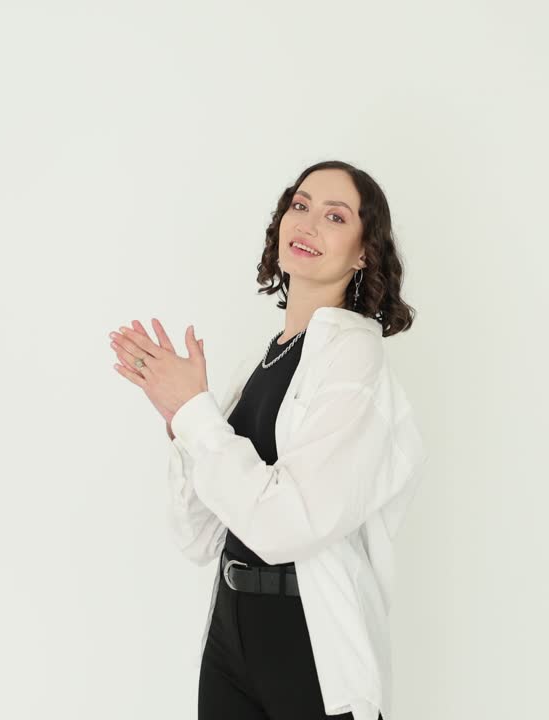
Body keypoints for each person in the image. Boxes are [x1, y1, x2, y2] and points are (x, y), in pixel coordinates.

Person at [109, 160, 427, 720]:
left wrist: (196, 414)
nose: (307, 223)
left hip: (306, 637)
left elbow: (288, 525)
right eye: (299, 205)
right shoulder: (264, 362)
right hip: (232, 630)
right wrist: (180, 421)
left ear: (363, 252)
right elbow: (198, 536)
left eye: (335, 215)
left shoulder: (353, 358)